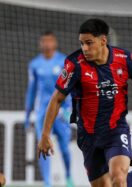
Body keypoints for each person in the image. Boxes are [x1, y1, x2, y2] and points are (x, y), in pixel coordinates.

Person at [37, 18, 132, 187]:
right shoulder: (75, 64)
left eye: (89, 43)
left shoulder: (125, 59)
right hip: (88, 135)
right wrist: (45, 135)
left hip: (115, 130)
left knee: (118, 179)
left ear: (103, 40)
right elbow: (56, 99)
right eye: (82, 43)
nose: (85, 48)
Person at [24, 31, 73, 187]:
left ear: (55, 43)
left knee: (65, 148)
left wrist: (68, 109)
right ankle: (47, 183)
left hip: (60, 113)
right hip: (42, 114)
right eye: (43, 41)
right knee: (43, 145)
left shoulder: (63, 61)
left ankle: (68, 176)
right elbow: (31, 91)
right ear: (40, 44)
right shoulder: (34, 64)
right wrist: (27, 116)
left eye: (49, 41)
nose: (46, 44)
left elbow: (69, 87)